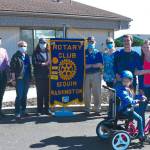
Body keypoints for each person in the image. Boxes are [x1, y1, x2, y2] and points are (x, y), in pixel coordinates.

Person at [116, 70, 146, 141]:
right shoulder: (123, 91)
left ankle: (131, 128)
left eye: (127, 81)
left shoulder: (122, 88)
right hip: (125, 110)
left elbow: (133, 96)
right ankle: (141, 135)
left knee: (136, 110)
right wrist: (138, 101)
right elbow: (130, 101)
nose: (126, 82)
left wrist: (140, 96)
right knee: (140, 118)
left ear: (131, 81)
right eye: (124, 81)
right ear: (121, 79)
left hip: (123, 108)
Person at [10, 41, 31, 119]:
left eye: (25, 46)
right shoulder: (15, 56)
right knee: (19, 96)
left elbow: (29, 67)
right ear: (18, 47)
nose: (23, 47)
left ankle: (24, 110)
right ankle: (17, 112)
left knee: (25, 95)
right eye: (22, 46)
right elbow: (12, 69)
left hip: (27, 78)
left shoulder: (27, 56)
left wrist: (30, 78)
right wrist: (13, 79)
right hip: (19, 79)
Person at [84, 36, 103, 115]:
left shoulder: (98, 53)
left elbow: (100, 64)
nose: (90, 43)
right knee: (87, 93)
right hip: (86, 75)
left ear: (94, 42)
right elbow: (82, 64)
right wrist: (92, 65)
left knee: (97, 93)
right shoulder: (84, 52)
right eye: (89, 42)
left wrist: (90, 65)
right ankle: (87, 109)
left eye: (92, 42)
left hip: (96, 74)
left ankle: (97, 109)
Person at [32, 38, 51, 116]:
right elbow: (34, 63)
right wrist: (44, 64)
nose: (43, 44)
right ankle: (39, 110)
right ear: (39, 43)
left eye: (44, 42)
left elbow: (50, 62)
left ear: (46, 44)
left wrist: (48, 64)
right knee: (40, 93)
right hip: (39, 76)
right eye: (41, 42)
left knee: (47, 94)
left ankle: (47, 109)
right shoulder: (35, 52)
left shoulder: (48, 52)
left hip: (47, 76)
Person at [134, 40, 150, 127]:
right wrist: (140, 88)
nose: (146, 49)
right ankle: (141, 131)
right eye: (144, 47)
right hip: (144, 88)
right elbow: (136, 73)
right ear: (141, 48)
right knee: (141, 111)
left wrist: (143, 71)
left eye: (147, 47)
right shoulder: (140, 59)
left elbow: (140, 72)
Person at [0, 39, 9, 117]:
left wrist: (8, 75)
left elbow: (7, 62)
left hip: (3, 75)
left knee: (1, 94)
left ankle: (0, 111)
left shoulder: (4, 50)